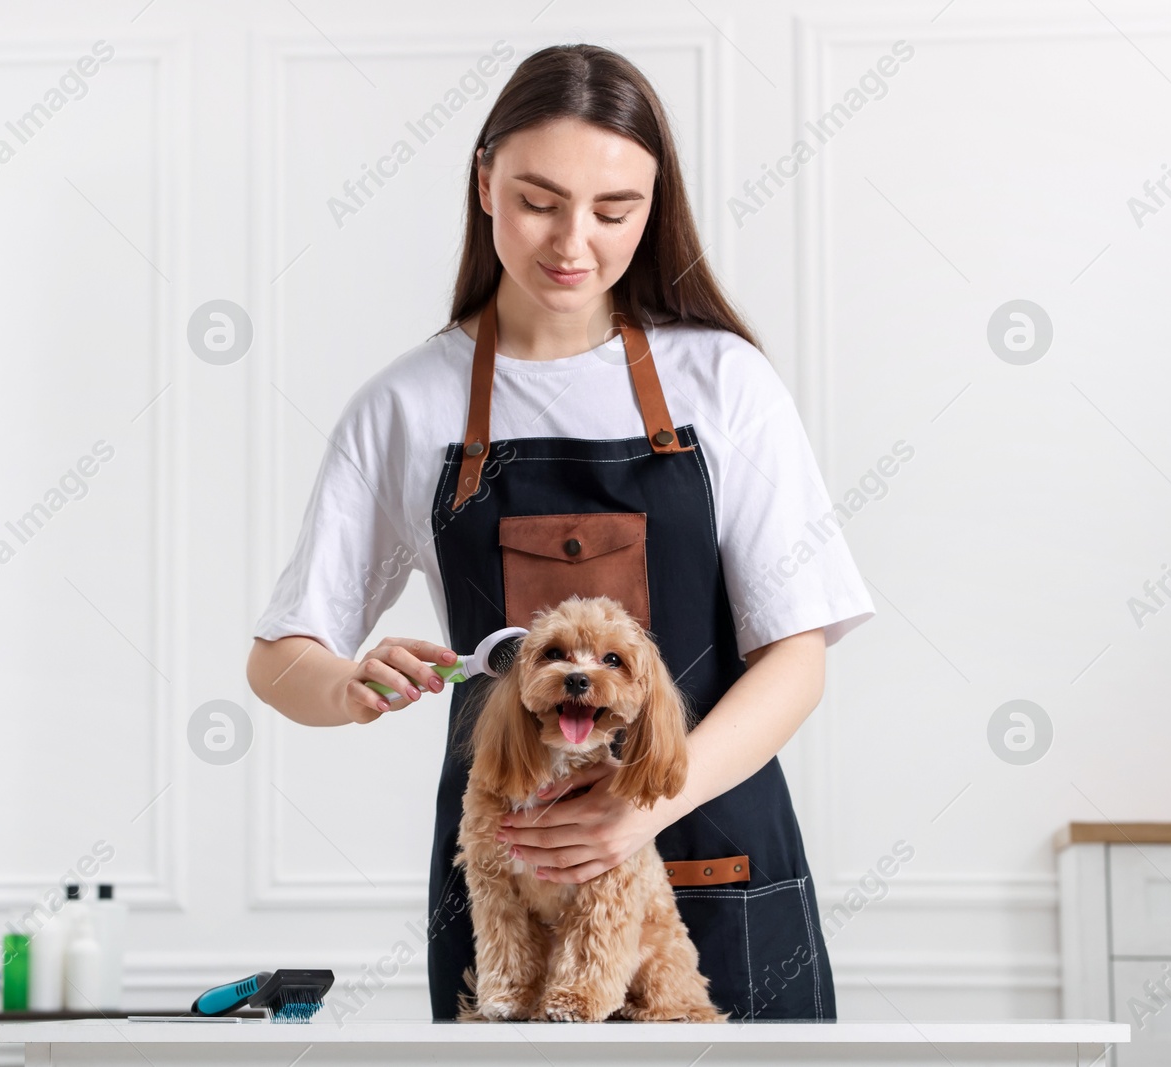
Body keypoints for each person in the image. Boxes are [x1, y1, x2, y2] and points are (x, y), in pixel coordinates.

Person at [246, 43, 874, 1022]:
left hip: (712, 852)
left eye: (615, 210)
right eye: (539, 200)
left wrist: (644, 805)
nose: (573, 241)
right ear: (484, 180)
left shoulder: (726, 383)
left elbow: (797, 655)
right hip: (514, 887)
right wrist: (348, 682)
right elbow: (277, 660)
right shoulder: (408, 404)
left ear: (653, 206)